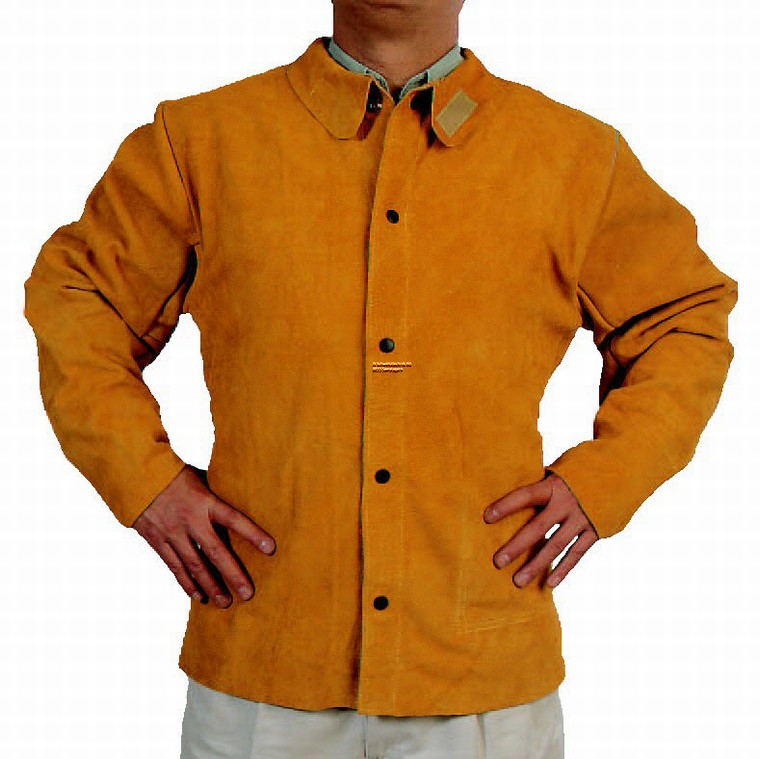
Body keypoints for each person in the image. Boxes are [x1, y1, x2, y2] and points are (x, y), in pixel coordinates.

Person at [22, 1, 738, 757]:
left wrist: (606, 480)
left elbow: (683, 316)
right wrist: (144, 481)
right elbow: (79, 298)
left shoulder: (576, 158)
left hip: (481, 685)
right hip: (262, 673)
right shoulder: (200, 142)